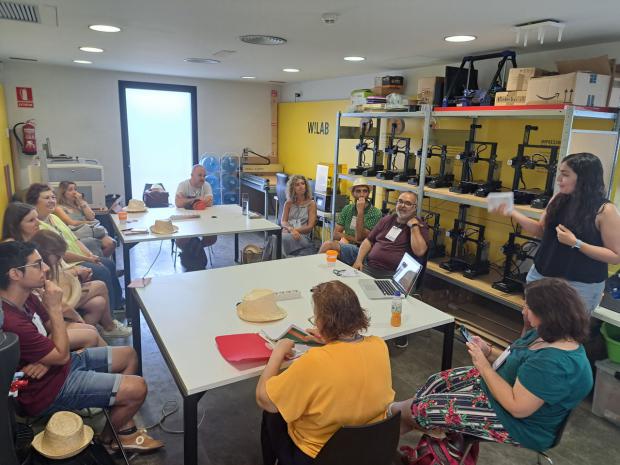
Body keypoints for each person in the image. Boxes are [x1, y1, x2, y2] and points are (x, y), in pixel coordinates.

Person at [390, 278, 593, 455]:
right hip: (500, 389)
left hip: (518, 424)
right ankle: (395, 428)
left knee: (421, 409)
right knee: (434, 384)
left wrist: (483, 365)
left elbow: (517, 408)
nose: (523, 310)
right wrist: (488, 352)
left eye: (528, 307)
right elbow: (518, 357)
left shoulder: (553, 363)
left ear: (547, 314)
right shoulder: (547, 332)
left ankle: (390, 427)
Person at [0, 241, 163, 453]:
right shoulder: (12, 321)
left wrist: (45, 360)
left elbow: (50, 329)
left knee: (129, 355)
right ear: (15, 274)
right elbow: (58, 352)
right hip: (44, 390)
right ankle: (110, 439)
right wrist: (55, 308)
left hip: (57, 368)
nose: (47, 268)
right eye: (38, 265)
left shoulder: (26, 296)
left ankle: (119, 421)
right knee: (138, 387)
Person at [256, 281, 394, 465]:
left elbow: (265, 400)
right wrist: (332, 341)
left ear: (322, 322)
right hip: (370, 448)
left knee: (273, 412)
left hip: (319, 456)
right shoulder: (379, 345)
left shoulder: (315, 361)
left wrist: (278, 352)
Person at [492, 152, 620, 315]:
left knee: (564, 335)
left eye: (565, 175)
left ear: (583, 179)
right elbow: (541, 230)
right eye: (560, 173)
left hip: (578, 286)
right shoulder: (558, 199)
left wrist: (576, 243)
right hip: (541, 275)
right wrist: (512, 212)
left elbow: (615, 256)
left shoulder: (605, 211)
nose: (559, 179)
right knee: (530, 322)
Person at [24, 184, 124, 311]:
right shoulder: (38, 227)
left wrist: (90, 255)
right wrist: (87, 259)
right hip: (67, 263)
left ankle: (118, 305)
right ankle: (112, 313)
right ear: (34, 201)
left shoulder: (53, 218)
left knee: (108, 263)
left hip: (80, 257)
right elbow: (60, 254)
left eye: (53, 197)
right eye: (46, 198)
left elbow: (74, 239)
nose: (52, 201)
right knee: (101, 270)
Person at [31, 230, 131, 340]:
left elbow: (62, 275)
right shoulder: (42, 273)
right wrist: (76, 316)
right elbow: (59, 303)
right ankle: (107, 327)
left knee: (98, 303)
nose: (60, 259)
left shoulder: (50, 262)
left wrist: (77, 272)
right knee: (100, 285)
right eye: (57, 256)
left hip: (62, 300)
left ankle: (86, 334)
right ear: (47, 254)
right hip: (56, 306)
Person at [353, 191, 429, 275]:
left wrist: (414, 226)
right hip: (370, 267)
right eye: (400, 201)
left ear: (415, 208)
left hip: (393, 274)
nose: (402, 205)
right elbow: (368, 241)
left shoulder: (419, 226)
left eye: (408, 203)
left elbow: (420, 252)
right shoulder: (387, 219)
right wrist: (358, 261)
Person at [318, 177, 382, 265]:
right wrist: (351, 239)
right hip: (346, 244)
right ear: (353, 193)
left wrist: (360, 212)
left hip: (362, 250)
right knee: (329, 253)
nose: (362, 194)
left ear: (368, 193)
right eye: (358, 191)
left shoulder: (375, 213)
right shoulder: (347, 208)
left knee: (328, 245)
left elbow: (360, 237)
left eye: (365, 191)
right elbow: (336, 234)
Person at [54, 180, 116, 257]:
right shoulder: (59, 208)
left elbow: (91, 217)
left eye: (75, 189)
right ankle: (98, 261)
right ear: (63, 193)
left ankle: (102, 260)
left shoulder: (79, 204)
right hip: (77, 233)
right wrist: (87, 222)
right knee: (94, 243)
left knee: (111, 243)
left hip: (89, 230)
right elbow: (71, 223)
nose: (74, 192)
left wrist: (81, 202)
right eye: (70, 190)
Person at [174, 164, 217, 270]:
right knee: (181, 240)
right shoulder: (183, 185)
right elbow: (178, 203)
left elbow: (210, 202)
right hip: (185, 223)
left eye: (204, 175)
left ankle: (195, 248)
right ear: (192, 175)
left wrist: (187, 201)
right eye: (200, 175)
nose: (203, 178)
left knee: (212, 237)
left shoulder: (206, 185)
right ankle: (194, 251)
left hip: (204, 222)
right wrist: (196, 201)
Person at [280, 175, 318, 257]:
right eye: (297, 185)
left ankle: (280, 261)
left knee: (281, 239)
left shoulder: (311, 204)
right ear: (293, 188)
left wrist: (294, 230)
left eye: (302, 183)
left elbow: (310, 226)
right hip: (289, 232)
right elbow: (283, 221)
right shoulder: (288, 203)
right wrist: (290, 229)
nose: (301, 187)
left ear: (306, 186)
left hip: (302, 236)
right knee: (274, 238)